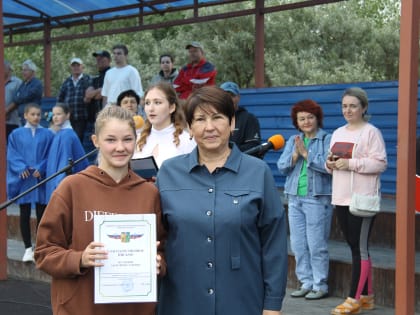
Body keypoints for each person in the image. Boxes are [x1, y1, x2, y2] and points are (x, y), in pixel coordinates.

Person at [156, 86, 287, 315]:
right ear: (189, 126)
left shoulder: (258, 172)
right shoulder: (169, 173)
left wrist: (273, 304)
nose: (209, 127)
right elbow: (157, 237)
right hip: (182, 301)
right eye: (200, 119)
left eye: (217, 117)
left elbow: (273, 243)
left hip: (242, 300)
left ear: (232, 122)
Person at [34, 105, 166, 315]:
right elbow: (44, 252)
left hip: (135, 309)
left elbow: (163, 248)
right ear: (96, 141)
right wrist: (80, 259)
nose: (120, 147)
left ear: (136, 140)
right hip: (80, 308)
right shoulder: (72, 187)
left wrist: (159, 262)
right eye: (111, 140)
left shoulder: (149, 193)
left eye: (127, 139)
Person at [326, 87, 387, 315]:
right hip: (340, 197)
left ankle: (353, 299)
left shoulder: (372, 133)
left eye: (353, 105)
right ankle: (368, 297)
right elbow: (333, 162)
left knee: (359, 250)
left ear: (363, 107)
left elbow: (380, 163)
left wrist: (351, 164)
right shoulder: (338, 132)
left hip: (362, 199)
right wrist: (330, 164)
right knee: (356, 247)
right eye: (344, 106)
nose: (348, 110)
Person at [277, 99, 332, 300]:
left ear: (317, 119)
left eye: (310, 117)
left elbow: (329, 167)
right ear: (296, 122)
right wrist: (294, 155)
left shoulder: (327, 139)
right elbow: (282, 167)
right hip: (294, 198)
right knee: (298, 244)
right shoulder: (293, 140)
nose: (306, 121)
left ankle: (320, 284)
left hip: (317, 198)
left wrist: (306, 154)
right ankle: (305, 282)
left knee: (316, 244)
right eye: (302, 119)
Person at [7, 103, 54, 262]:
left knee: (42, 213)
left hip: (40, 178)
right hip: (25, 179)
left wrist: (42, 167)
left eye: (38, 114)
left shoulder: (48, 134)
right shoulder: (16, 134)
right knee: (24, 212)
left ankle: (40, 247)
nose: (36, 117)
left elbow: (50, 154)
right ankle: (28, 248)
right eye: (32, 114)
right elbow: (12, 154)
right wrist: (21, 167)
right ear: (25, 115)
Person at [133, 82, 196, 167]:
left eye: (157, 102)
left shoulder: (187, 141)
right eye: (147, 103)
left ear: (171, 107)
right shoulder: (137, 139)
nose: (151, 108)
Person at [45, 103, 90, 203]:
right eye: (54, 114)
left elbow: (64, 164)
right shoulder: (61, 133)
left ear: (68, 115)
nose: (55, 117)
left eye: (59, 114)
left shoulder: (67, 136)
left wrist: (59, 188)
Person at [220, 81, 261, 155]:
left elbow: (253, 147)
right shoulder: (213, 120)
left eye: (232, 95)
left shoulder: (249, 119)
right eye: (224, 95)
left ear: (238, 97)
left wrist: (226, 152)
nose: (228, 99)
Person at [57, 58, 92, 142]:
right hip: (68, 117)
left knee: (77, 138)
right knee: (68, 138)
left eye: (78, 65)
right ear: (71, 67)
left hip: (82, 115)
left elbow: (91, 95)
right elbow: (60, 98)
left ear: (82, 67)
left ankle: (77, 155)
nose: (76, 67)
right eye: (74, 66)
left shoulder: (87, 79)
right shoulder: (66, 81)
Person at [6, 59, 43, 124]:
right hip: (22, 117)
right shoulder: (23, 84)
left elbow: (26, 96)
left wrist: (18, 97)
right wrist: (18, 97)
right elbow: (15, 96)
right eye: (22, 70)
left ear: (33, 71)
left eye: (25, 70)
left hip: (32, 117)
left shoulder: (37, 83)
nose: (23, 72)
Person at [84, 50, 112, 122]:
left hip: (109, 116)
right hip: (95, 119)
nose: (99, 60)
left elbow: (104, 94)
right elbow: (87, 96)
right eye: (97, 58)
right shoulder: (95, 79)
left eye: (102, 58)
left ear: (109, 60)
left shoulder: (113, 75)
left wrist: (97, 92)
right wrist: (99, 90)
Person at [4, 60, 22, 140]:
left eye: (3, 67)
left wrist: (7, 110)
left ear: (9, 69)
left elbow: (20, 99)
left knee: (12, 142)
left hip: (12, 120)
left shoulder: (17, 82)